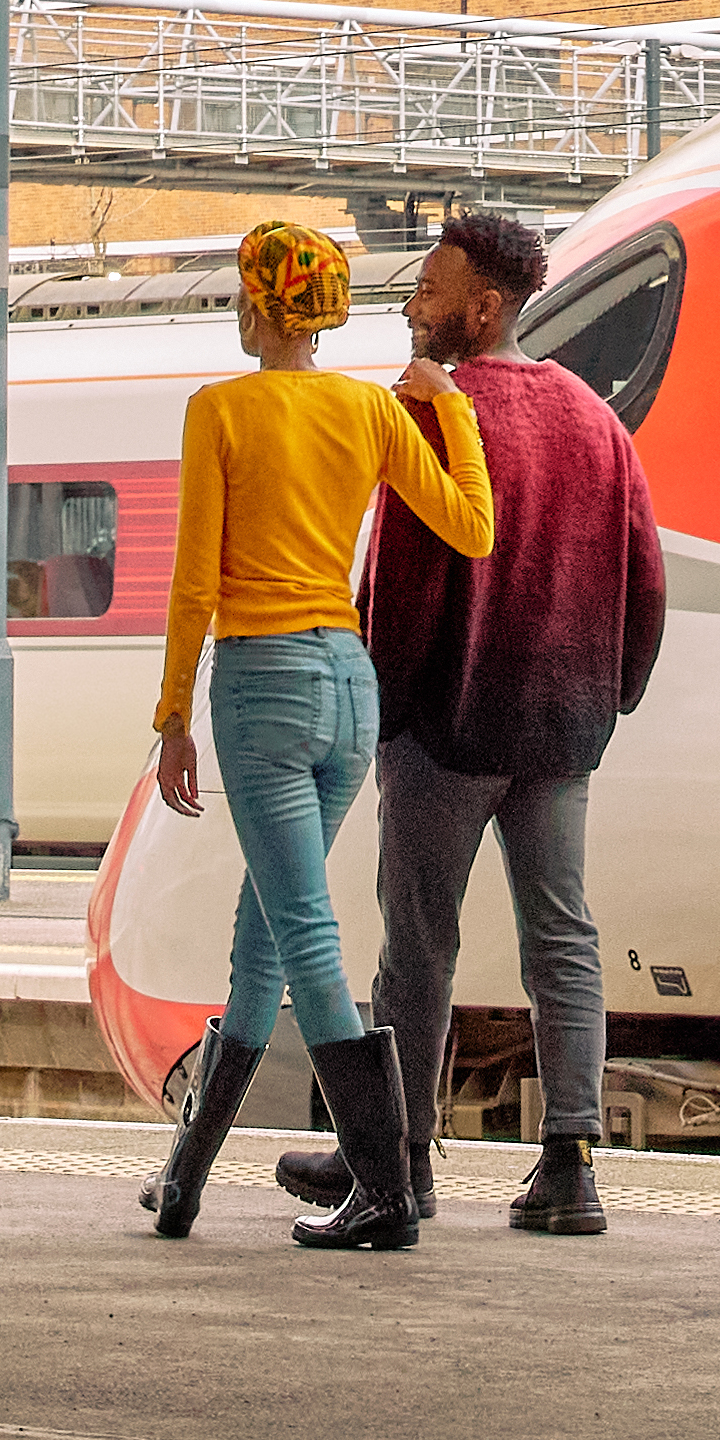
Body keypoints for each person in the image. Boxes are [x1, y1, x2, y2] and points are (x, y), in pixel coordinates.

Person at [271, 204, 666, 1240]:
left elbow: (395, 586)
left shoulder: (431, 416)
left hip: (446, 725)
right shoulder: (596, 419)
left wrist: (381, 713)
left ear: (482, 308)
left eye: (431, 291)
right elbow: (646, 580)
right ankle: (572, 1167)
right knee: (563, 940)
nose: (413, 303)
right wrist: (604, 697)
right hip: (560, 731)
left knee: (417, 952)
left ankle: (397, 1167)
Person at [139, 214, 491, 1252]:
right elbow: (473, 526)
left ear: (258, 304)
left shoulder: (221, 410)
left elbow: (195, 579)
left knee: (303, 936)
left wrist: (171, 716)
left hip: (263, 684)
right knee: (264, 937)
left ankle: (385, 1191)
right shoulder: (371, 412)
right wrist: (451, 408)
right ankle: (183, 1182)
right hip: (349, 686)